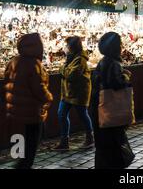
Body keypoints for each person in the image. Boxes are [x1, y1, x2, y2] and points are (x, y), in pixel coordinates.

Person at [5, 33, 53, 169]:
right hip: (31, 112)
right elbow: (39, 89)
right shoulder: (34, 65)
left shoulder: (13, 61)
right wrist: (49, 98)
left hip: (15, 112)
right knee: (30, 148)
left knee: (18, 148)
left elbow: (6, 82)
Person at [91, 32, 133, 169]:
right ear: (115, 47)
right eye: (120, 44)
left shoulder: (102, 62)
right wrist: (126, 76)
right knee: (113, 147)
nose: (121, 47)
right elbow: (115, 84)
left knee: (102, 147)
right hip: (110, 111)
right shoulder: (113, 63)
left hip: (99, 109)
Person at [54, 36, 93, 150]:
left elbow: (71, 76)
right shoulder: (71, 58)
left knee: (82, 115)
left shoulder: (80, 59)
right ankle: (64, 141)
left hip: (79, 93)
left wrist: (62, 69)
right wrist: (64, 68)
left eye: (67, 45)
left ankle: (90, 138)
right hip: (68, 93)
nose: (65, 48)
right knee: (61, 114)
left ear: (71, 47)